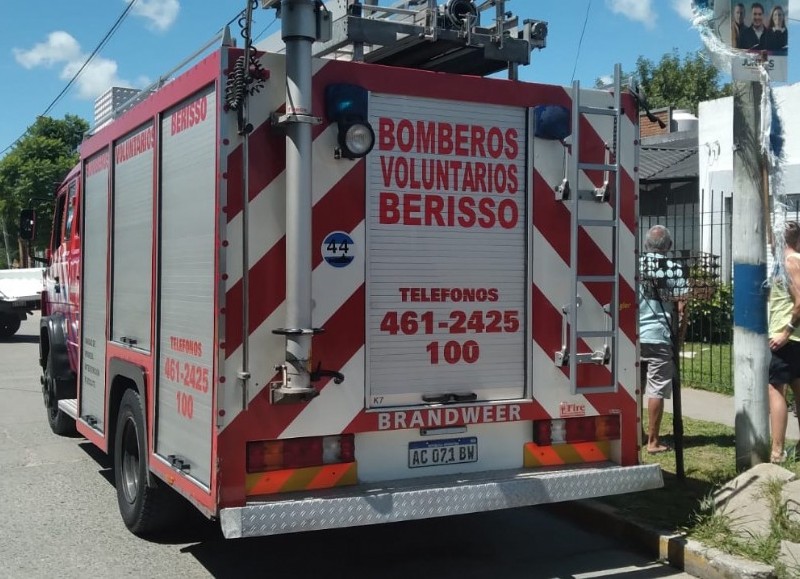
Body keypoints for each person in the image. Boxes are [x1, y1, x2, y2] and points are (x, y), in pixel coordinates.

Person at [639, 225, 686, 454]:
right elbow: (682, 307)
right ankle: (653, 441)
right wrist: (680, 336)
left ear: (646, 244)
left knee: (633, 388)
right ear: (668, 246)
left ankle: (633, 432)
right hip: (660, 335)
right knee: (656, 388)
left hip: (634, 335)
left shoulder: (634, 265)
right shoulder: (673, 269)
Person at [767, 221, 800, 463]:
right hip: (793, 337)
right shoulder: (786, 262)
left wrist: (785, 332)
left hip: (787, 338)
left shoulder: (790, 262)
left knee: (776, 390)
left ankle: (777, 452)